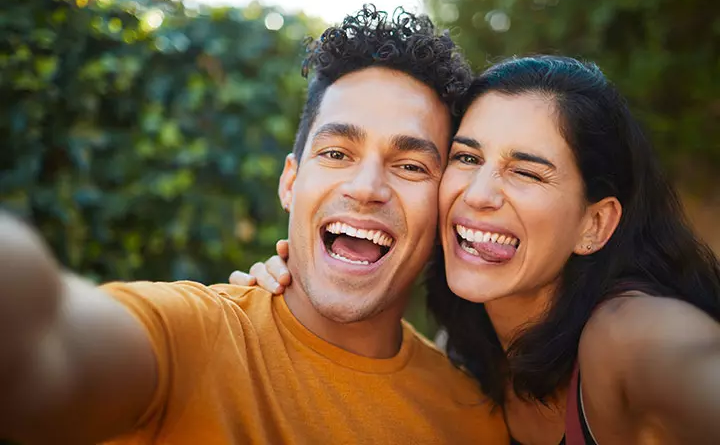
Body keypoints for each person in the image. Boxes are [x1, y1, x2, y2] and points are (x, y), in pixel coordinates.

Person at [0, 6, 511, 444]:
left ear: (446, 205)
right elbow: (46, 347)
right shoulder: (192, 336)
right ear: (291, 182)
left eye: (411, 166)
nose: (366, 187)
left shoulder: (473, 419)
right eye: (336, 153)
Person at [232, 55, 720, 444]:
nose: (479, 194)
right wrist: (286, 301)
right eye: (467, 158)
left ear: (594, 223)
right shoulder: (465, 360)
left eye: (526, 172)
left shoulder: (630, 335)